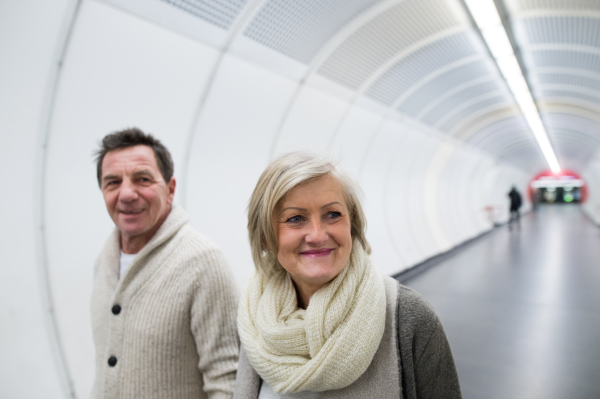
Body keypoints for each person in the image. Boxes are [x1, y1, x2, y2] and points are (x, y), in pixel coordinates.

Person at [235, 152, 462, 398]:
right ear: (265, 238)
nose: (318, 235)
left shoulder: (409, 318)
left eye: (332, 214)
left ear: (351, 223)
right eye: (296, 218)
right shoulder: (255, 315)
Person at [91, 128, 239, 399]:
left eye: (142, 179)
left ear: (170, 189)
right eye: (112, 182)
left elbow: (227, 381)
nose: (126, 194)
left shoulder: (203, 263)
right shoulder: (104, 263)